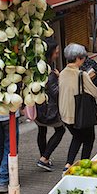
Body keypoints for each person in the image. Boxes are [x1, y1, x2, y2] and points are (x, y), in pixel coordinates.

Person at [59, 44, 97, 172]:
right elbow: (95, 92)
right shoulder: (81, 74)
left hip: (65, 114)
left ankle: (68, 164)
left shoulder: (62, 73)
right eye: (82, 58)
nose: (83, 60)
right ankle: (83, 165)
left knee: (77, 137)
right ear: (77, 58)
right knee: (89, 139)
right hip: (80, 114)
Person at [36, 39, 65, 171]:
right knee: (60, 130)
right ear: (50, 53)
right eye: (56, 52)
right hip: (49, 109)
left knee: (42, 130)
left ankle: (43, 157)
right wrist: (61, 79)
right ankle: (44, 158)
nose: (57, 55)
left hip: (39, 107)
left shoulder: (38, 67)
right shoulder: (50, 71)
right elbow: (55, 92)